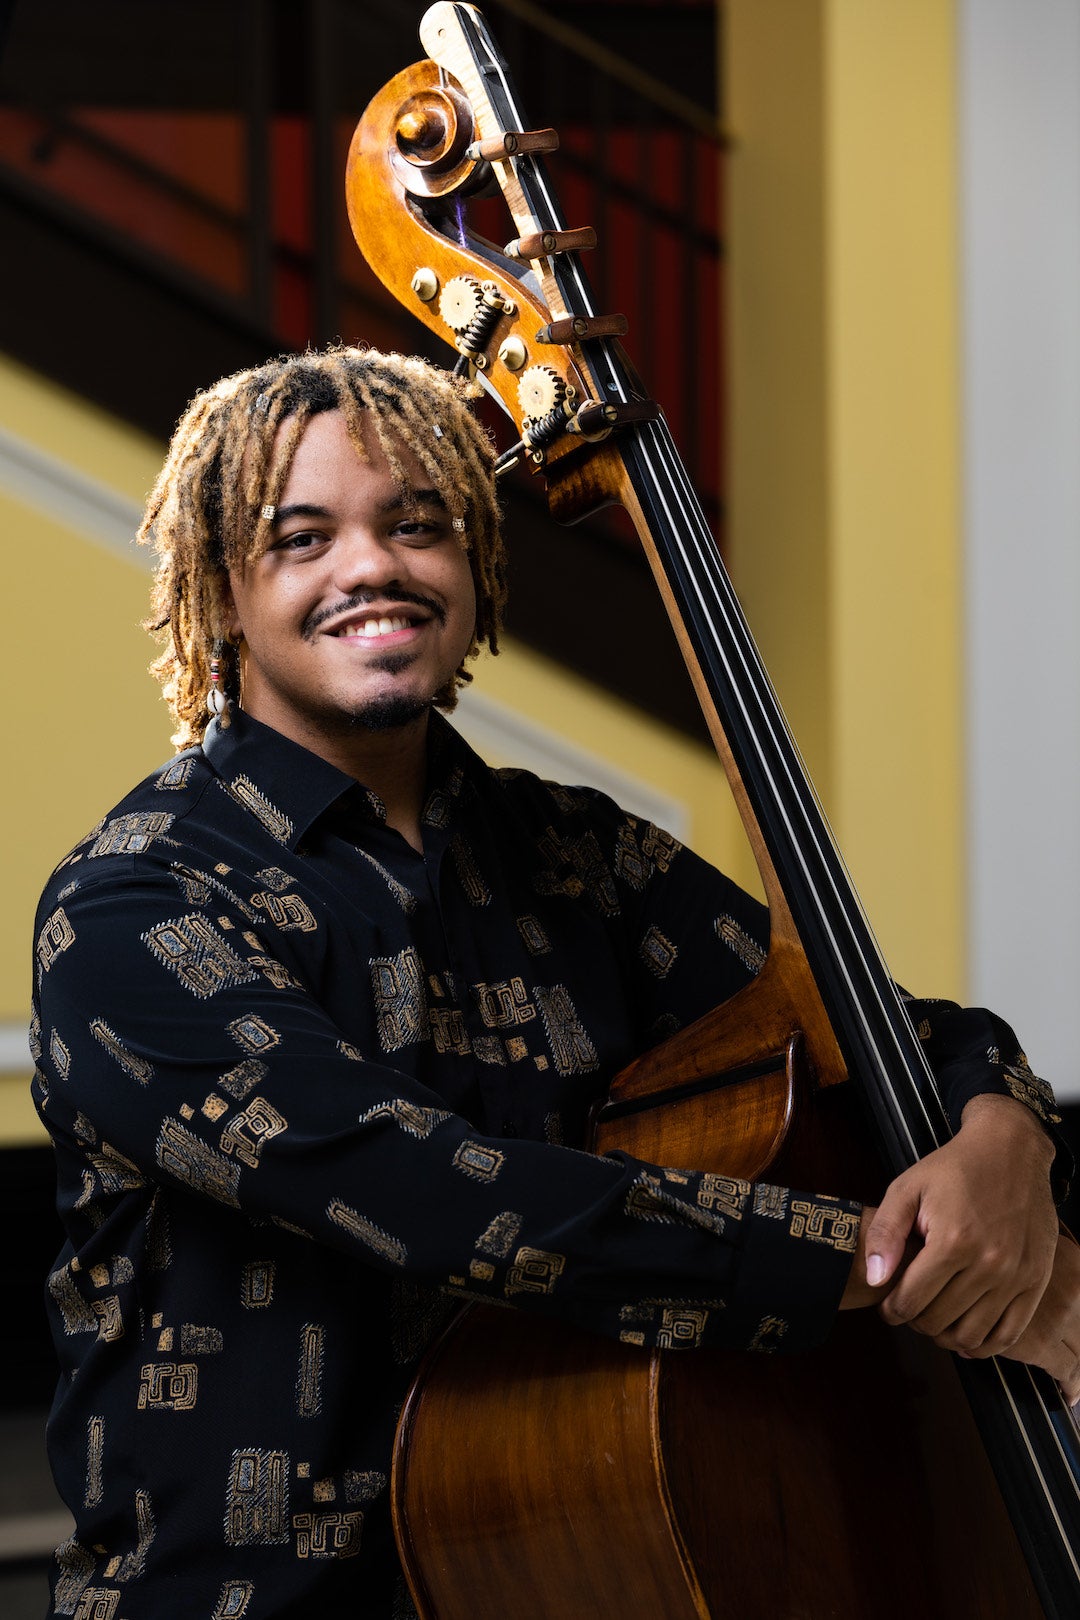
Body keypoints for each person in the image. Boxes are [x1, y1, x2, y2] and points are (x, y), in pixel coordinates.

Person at [31, 345, 1078, 1619]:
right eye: (302, 539)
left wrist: (1005, 1132)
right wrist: (891, 1266)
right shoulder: (134, 905)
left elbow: (881, 1033)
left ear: (474, 561)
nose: (373, 568)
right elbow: (427, 1191)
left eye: (418, 525)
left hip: (571, 1573)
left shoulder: (581, 856)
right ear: (221, 592)